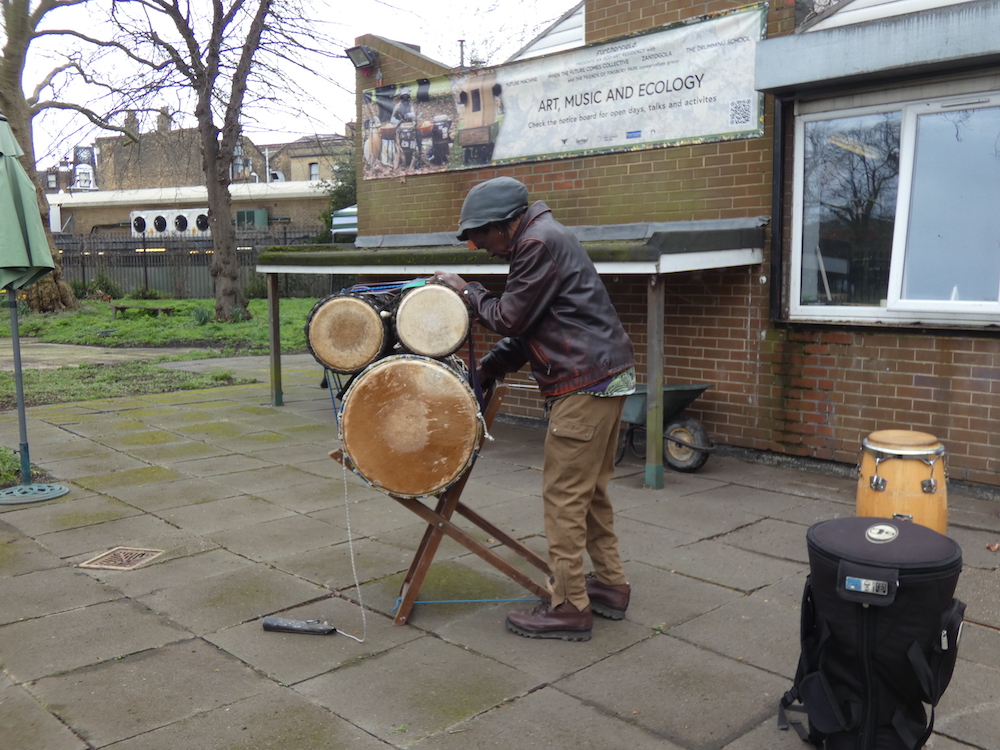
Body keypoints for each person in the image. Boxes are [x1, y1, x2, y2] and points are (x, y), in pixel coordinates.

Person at [433, 176, 635, 642]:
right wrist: (489, 368)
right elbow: (534, 326)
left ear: (503, 225)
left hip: (584, 383)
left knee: (564, 496)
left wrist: (466, 291)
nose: (478, 247)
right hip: (603, 376)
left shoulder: (537, 244)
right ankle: (609, 584)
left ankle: (567, 606)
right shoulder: (542, 239)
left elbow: (510, 317)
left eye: (479, 236)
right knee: (591, 492)